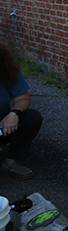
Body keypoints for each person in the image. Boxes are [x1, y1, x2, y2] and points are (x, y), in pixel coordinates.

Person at [0, 42, 42, 180]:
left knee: (32, 117)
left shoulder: (7, 70)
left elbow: (23, 99)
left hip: (2, 127)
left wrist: (14, 113)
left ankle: (10, 162)